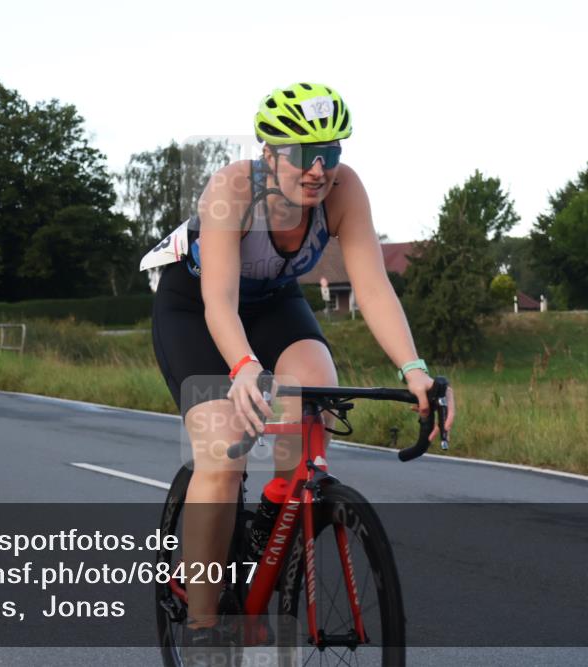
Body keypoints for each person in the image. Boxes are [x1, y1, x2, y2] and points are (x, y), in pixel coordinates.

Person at [143, 82, 457, 654]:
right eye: (301, 153)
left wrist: (415, 369)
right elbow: (219, 302)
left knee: (319, 393)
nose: (318, 169)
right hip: (196, 306)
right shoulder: (232, 188)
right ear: (269, 154)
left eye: (330, 152)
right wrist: (241, 366)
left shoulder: (344, 191)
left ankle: (277, 513)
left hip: (275, 303)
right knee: (223, 449)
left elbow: (373, 285)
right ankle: (206, 623)